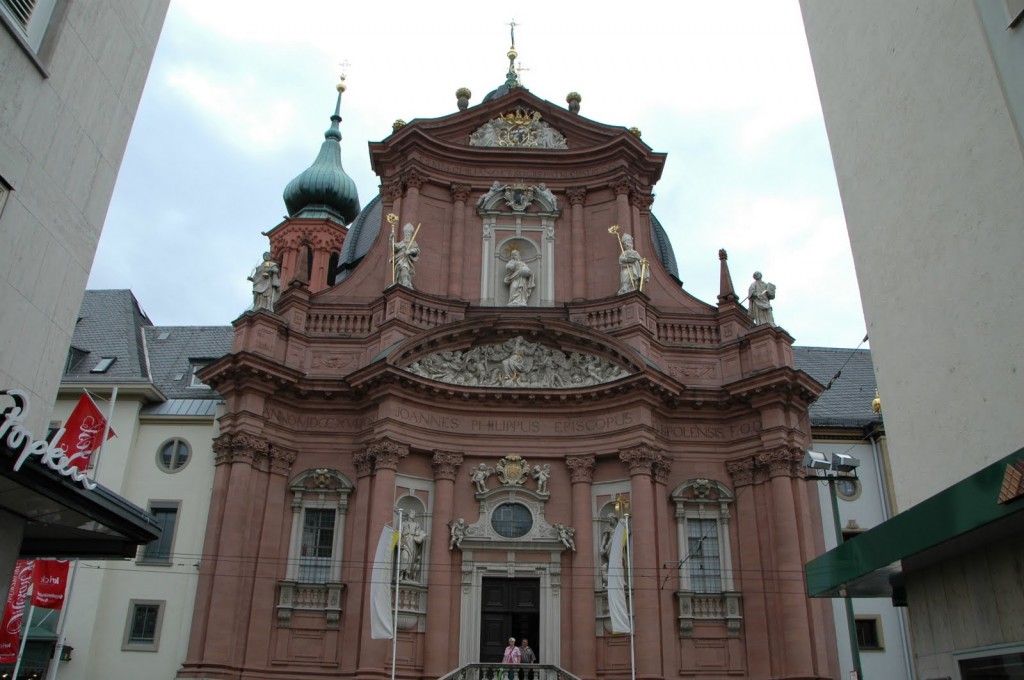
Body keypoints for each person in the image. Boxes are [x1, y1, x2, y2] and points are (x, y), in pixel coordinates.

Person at [398, 511, 427, 582]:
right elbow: (399, 533)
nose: (413, 515)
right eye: (412, 513)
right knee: (404, 557)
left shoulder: (416, 524)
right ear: (408, 514)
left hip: (413, 542)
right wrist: (399, 541)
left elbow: (419, 533)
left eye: (414, 514)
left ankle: (407, 575)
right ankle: (400, 574)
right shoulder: (403, 523)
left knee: (411, 559)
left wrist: (423, 535)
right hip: (405, 540)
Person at [394, 223, 420, 288]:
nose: (407, 236)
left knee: (405, 267)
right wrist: (391, 239)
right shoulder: (402, 243)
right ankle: (400, 282)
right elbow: (395, 247)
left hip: (406, 260)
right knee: (400, 268)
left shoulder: (412, 243)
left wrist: (410, 251)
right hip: (400, 259)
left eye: (408, 235)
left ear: (411, 236)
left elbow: (416, 250)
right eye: (406, 235)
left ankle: (405, 281)